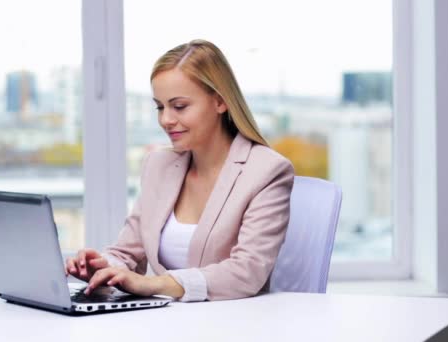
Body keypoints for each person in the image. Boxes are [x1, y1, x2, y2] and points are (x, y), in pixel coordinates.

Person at [65, 39, 294, 302]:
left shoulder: (266, 171)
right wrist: (103, 265)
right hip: (169, 322)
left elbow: (246, 272)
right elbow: (129, 252)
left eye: (179, 106)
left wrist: (154, 284)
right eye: (160, 107)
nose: (166, 120)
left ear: (220, 102)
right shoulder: (158, 166)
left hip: (233, 323)